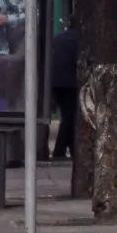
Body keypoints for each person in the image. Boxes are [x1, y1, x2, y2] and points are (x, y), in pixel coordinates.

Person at [50, 27, 78, 160]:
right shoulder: (81, 40)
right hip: (71, 83)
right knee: (69, 118)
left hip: (54, 82)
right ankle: (59, 152)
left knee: (69, 117)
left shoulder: (59, 37)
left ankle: (72, 150)